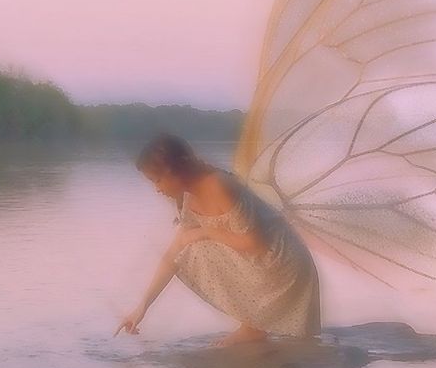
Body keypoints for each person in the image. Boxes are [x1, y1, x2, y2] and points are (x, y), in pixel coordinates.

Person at [114, 133, 321, 346]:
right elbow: (173, 254)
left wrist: (205, 232)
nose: (157, 189)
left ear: (176, 170)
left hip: (282, 261)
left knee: (196, 246)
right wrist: (142, 308)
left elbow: (255, 244)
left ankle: (253, 328)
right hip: (262, 262)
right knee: (187, 246)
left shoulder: (218, 185)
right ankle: (252, 327)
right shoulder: (189, 195)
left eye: (158, 180)